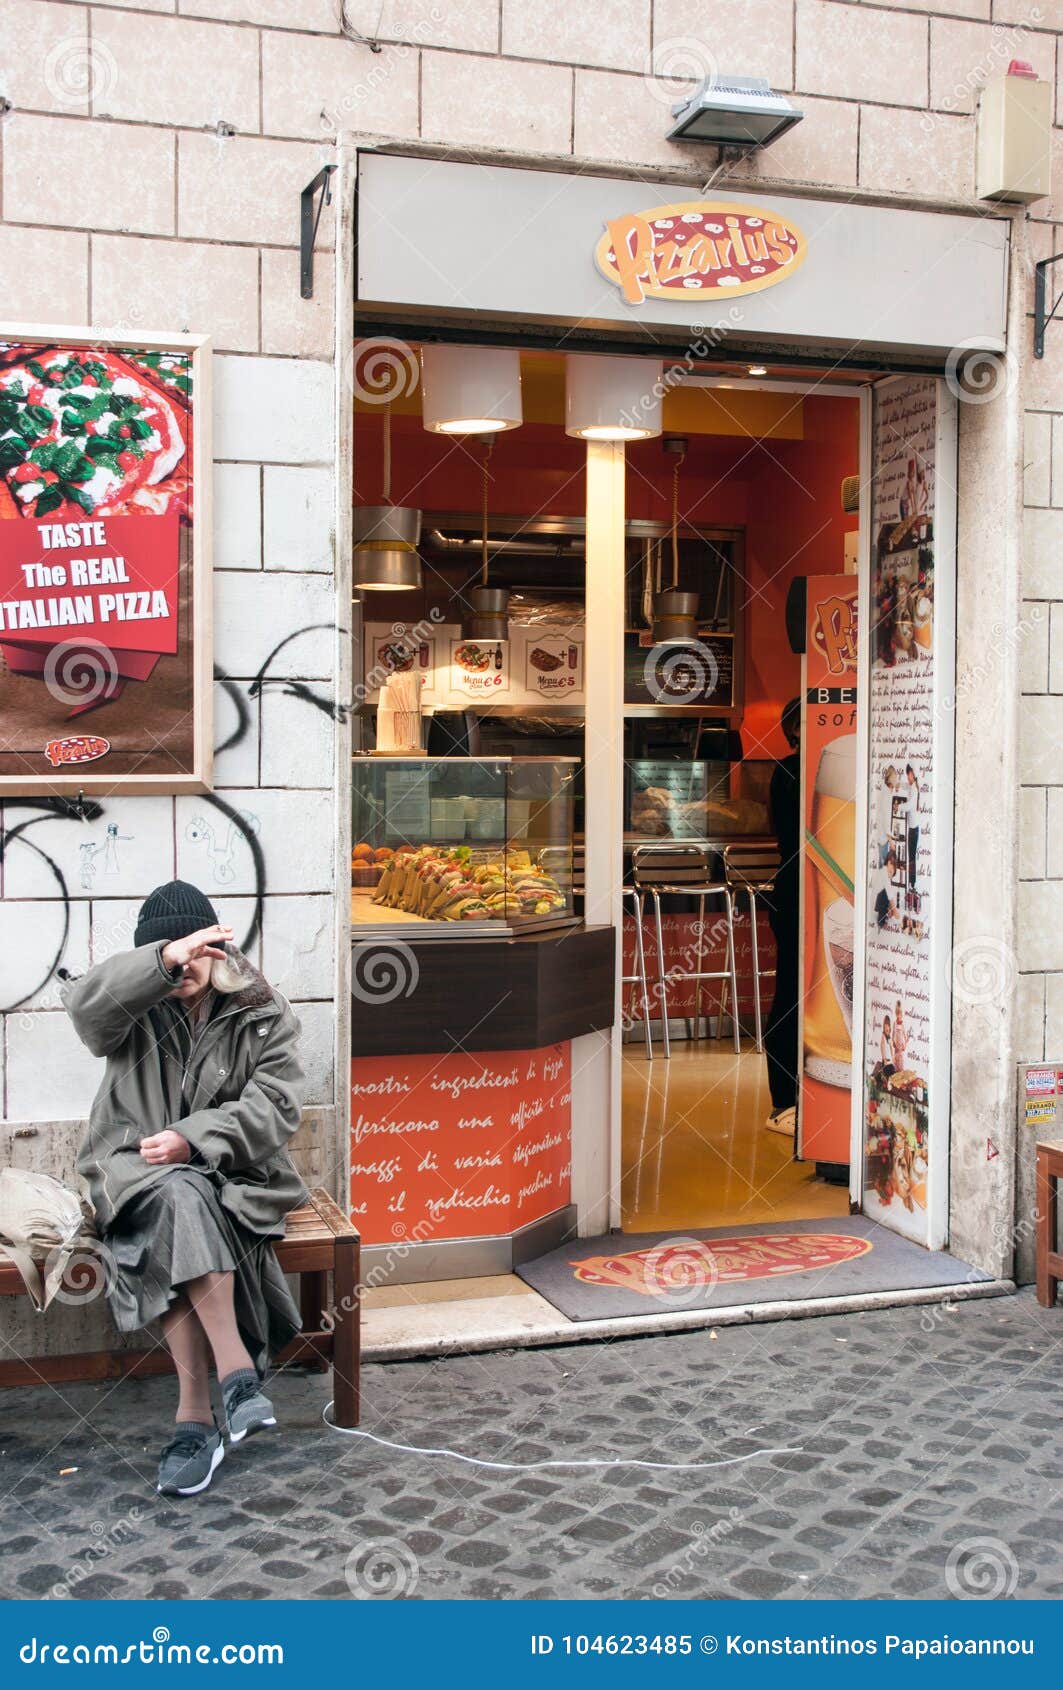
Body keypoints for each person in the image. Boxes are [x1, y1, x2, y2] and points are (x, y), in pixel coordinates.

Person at [63, 880, 307, 1498]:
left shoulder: (261, 1010)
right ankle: (236, 1378)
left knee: (183, 1197)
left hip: (231, 1178)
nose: (185, 966)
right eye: (171, 955)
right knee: (173, 1193)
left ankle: (193, 1420)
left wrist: (193, 1138)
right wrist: (162, 963)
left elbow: (276, 1108)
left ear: (217, 950)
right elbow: (85, 1011)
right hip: (129, 1170)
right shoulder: (132, 1005)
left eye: (195, 951)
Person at [764, 698, 801, 1138]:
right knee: (791, 993)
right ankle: (782, 1103)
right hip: (794, 894)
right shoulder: (789, 772)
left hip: (819, 893)